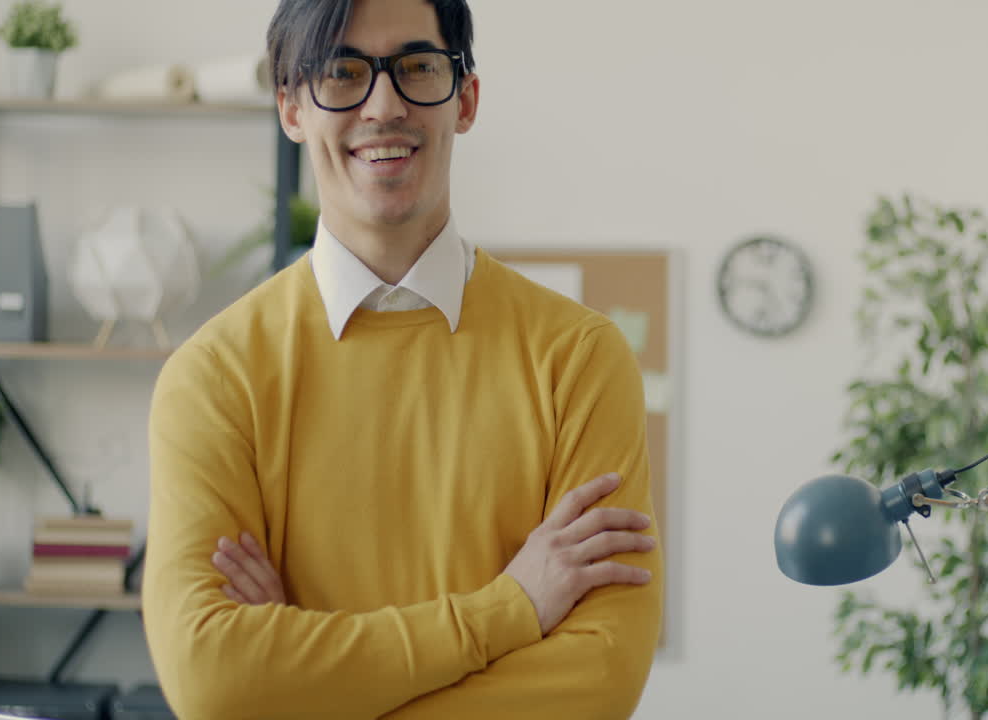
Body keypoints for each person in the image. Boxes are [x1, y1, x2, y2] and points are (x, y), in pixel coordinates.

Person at [141, 0, 664, 718]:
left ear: (466, 99)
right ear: (291, 109)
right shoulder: (214, 377)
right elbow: (214, 683)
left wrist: (308, 683)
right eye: (342, 73)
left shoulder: (577, 360)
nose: (383, 105)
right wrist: (511, 606)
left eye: (417, 67)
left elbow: (600, 684)